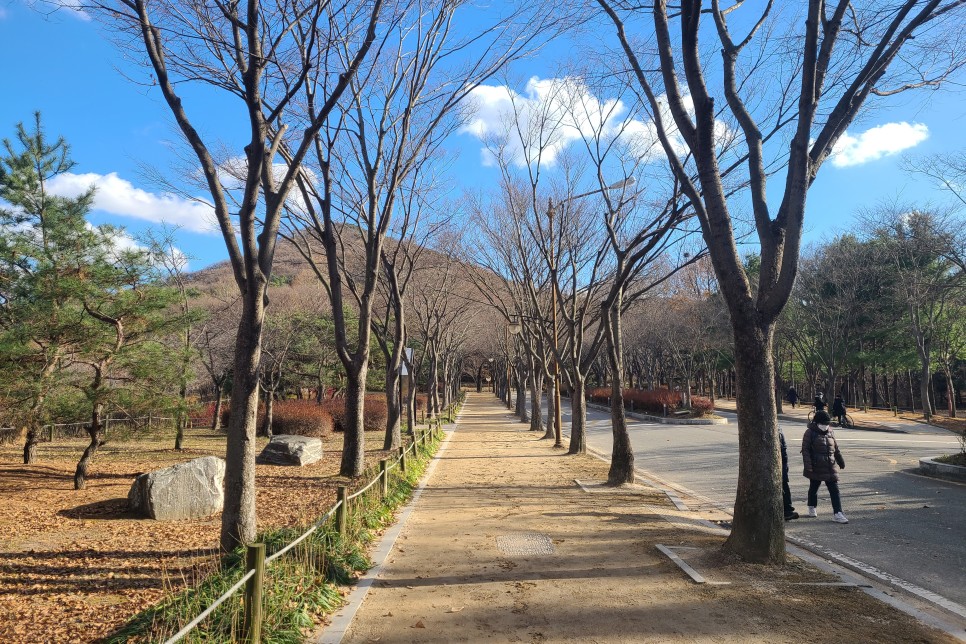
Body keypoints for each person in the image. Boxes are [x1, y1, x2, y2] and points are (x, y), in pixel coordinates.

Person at [801, 410, 848, 523]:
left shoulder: (830, 432)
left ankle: (838, 513)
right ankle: (812, 506)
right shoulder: (810, 432)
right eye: (823, 423)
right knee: (814, 487)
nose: (825, 426)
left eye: (827, 424)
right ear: (816, 422)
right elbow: (805, 451)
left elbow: (835, 448)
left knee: (834, 489)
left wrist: (840, 460)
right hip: (816, 466)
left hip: (830, 465)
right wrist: (808, 466)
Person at [780, 429, 798, 520]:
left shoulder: (778, 429)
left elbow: (783, 449)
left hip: (781, 462)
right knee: (783, 486)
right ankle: (786, 510)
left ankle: (787, 510)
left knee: (784, 485)